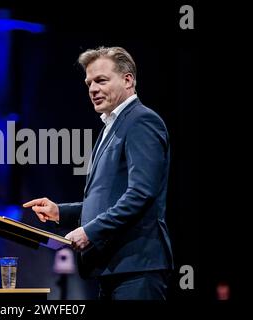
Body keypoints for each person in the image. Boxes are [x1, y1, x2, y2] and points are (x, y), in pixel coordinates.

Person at [23, 46, 173, 300]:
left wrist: (89, 232)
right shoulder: (110, 128)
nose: (92, 89)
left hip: (137, 268)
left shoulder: (142, 121)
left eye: (101, 80)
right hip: (113, 268)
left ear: (128, 80)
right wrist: (61, 211)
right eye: (89, 82)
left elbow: (141, 194)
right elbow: (107, 200)